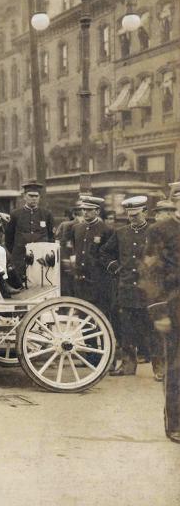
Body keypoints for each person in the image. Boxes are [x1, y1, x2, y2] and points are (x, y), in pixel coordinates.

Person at [139, 181, 180, 443]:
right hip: (175, 307)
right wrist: (159, 311)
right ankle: (176, 424)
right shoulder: (160, 230)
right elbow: (149, 272)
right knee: (177, 368)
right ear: (176, 200)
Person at [101, 196, 157, 378]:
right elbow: (104, 253)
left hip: (148, 291)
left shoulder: (154, 232)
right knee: (126, 331)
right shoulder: (121, 233)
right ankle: (127, 366)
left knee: (153, 330)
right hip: (126, 289)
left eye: (136, 214)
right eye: (130, 215)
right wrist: (116, 268)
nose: (133, 218)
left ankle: (160, 368)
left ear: (145, 212)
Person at [65, 197, 114, 312]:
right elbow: (73, 249)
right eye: (84, 210)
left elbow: (109, 254)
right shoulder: (76, 228)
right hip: (80, 276)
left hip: (97, 277)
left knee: (98, 310)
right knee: (82, 310)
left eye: (89, 210)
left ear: (97, 211)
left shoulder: (106, 230)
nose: (85, 212)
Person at [5, 181, 54, 280]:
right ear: (24, 197)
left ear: (39, 197)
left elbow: (51, 236)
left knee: (41, 282)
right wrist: (17, 252)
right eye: (31, 195)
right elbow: (9, 238)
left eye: (36, 196)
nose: (34, 198)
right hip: (20, 258)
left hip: (41, 257)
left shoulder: (46, 214)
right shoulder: (15, 214)